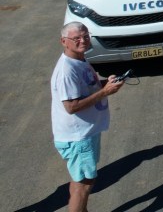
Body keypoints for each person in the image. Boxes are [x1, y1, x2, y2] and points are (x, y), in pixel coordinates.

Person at [51, 21, 124, 212]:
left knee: (80, 181)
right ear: (64, 41)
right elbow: (71, 106)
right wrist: (105, 92)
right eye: (76, 38)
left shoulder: (79, 60)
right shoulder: (67, 71)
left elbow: (86, 87)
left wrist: (105, 84)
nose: (82, 41)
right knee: (83, 184)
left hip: (85, 134)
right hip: (78, 138)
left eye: (85, 36)